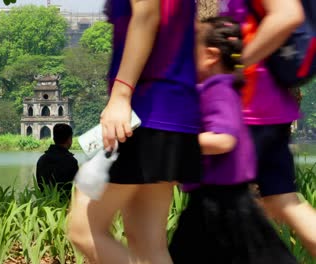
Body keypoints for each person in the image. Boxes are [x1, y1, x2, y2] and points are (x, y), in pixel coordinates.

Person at [67, 0, 202, 263]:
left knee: (84, 230)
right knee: (148, 244)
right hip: (174, 112)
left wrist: (120, 94)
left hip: (142, 113)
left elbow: (147, 16)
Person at [169, 17, 297, 264]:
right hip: (214, 202)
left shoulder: (220, 90)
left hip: (223, 205)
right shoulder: (216, 90)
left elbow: (223, 139)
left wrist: (177, 142)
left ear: (210, 55)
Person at [220, 0, 316, 257]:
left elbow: (287, 15)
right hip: (265, 109)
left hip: (251, 109)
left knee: (214, 207)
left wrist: (234, 69)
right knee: (283, 202)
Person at [36, 123, 78, 196]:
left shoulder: (42, 159)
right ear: (69, 139)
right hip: (64, 204)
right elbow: (76, 187)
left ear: (54, 138)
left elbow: (40, 184)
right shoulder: (71, 161)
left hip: (45, 202)